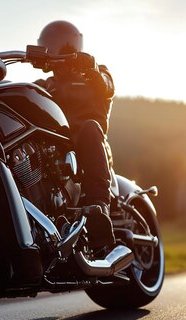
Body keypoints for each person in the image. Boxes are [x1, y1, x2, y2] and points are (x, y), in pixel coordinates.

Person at [35, 20, 116, 250]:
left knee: (90, 127)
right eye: (50, 47)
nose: (56, 53)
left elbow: (107, 85)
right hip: (55, 151)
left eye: (61, 46)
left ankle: (100, 209)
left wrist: (91, 67)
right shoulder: (43, 86)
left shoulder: (95, 76)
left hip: (90, 146)